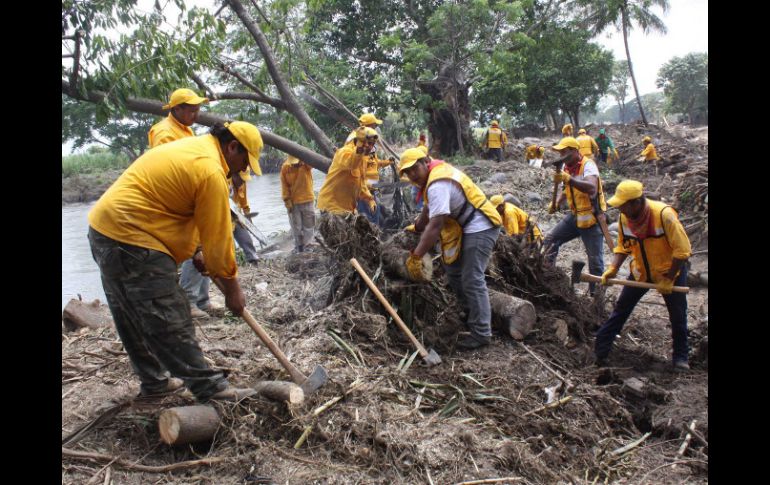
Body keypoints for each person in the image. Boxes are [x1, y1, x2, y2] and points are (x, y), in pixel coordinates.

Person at [88, 121, 264, 402]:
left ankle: (154, 383)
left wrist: (195, 249)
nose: (242, 170)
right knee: (169, 316)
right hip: (134, 238)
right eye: (244, 161)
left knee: (131, 314)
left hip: (105, 229)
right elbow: (219, 245)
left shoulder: (193, 148)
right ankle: (212, 391)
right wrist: (233, 291)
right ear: (232, 147)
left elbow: (177, 207)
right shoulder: (210, 171)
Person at [399, 148, 502, 349]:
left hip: (481, 225)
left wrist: (416, 256)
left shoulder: (437, 184)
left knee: (472, 278)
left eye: (414, 169)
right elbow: (428, 211)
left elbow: (436, 225)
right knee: (453, 272)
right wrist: (417, 227)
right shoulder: (433, 178)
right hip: (466, 227)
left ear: (425, 162)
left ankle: (481, 333)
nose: (412, 175)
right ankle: (470, 312)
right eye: (407, 172)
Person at [594, 180, 692, 371]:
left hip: (668, 271)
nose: (620, 209)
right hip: (640, 272)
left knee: (678, 316)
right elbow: (623, 245)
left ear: (636, 203)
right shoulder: (625, 219)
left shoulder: (664, 215)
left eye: (623, 205)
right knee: (621, 309)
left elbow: (682, 251)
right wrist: (613, 268)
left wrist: (669, 277)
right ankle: (599, 351)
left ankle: (681, 358)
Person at [148, 88, 211, 319]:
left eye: (198, 109)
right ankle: (189, 300)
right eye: (192, 110)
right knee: (192, 248)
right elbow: (168, 170)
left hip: (191, 195)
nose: (196, 114)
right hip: (175, 199)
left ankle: (202, 299)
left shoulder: (185, 131)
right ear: (177, 109)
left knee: (204, 244)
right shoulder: (165, 133)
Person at [543, 137, 607, 294]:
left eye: (564, 152)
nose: (561, 156)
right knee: (550, 240)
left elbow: (591, 188)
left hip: (592, 217)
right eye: (560, 153)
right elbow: (566, 189)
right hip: (575, 215)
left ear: (575, 151)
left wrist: (568, 179)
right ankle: (549, 278)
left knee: (595, 262)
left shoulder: (588, 165)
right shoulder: (566, 166)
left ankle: (596, 297)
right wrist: (556, 203)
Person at [317, 127, 377, 214]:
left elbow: (361, 184)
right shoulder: (343, 152)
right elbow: (352, 163)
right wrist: (360, 149)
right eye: (368, 143)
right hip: (331, 208)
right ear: (357, 141)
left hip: (347, 209)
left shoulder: (362, 159)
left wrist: (370, 200)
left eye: (372, 144)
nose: (370, 147)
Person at [280, 156, 316, 253]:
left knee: (308, 226)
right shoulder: (285, 168)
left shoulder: (306, 164)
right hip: (294, 202)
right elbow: (284, 186)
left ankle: (308, 245)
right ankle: (299, 246)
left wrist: (305, 159)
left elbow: (313, 163)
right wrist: (287, 201)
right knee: (296, 227)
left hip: (307, 200)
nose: (295, 164)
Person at [230, 169, 260, 265]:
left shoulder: (242, 184)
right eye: (241, 179)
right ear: (234, 175)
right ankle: (231, 267)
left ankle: (253, 260)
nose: (243, 181)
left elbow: (244, 202)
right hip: (224, 219)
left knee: (246, 239)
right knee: (229, 247)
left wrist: (248, 218)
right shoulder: (225, 182)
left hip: (237, 217)